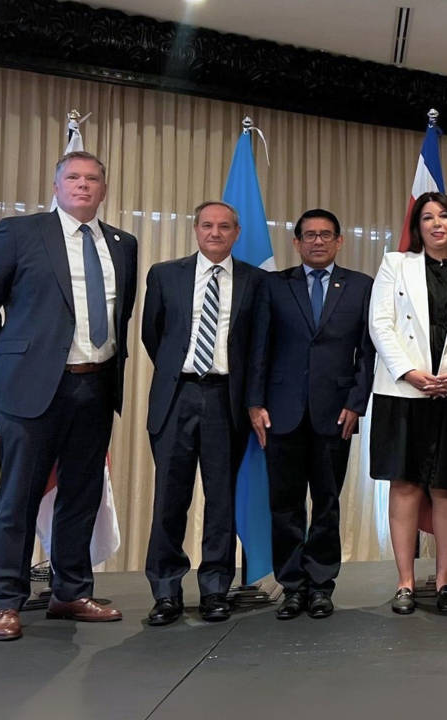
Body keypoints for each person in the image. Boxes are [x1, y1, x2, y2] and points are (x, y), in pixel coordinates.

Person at [0, 151, 138, 641]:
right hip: (30, 387)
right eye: (73, 177)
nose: (83, 185)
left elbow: (121, 316)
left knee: (81, 495)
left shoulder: (123, 243)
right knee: (19, 497)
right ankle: (6, 600)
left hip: (96, 383)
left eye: (92, 178)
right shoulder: (21, 233)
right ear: (56, 185)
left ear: (104, 189)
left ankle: (71, 591)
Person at [142, 200, 265, 626]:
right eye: (208, 225)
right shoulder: (164, 274)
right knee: (169, 501)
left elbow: (258, 347)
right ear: (195, 230)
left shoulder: (256, 281)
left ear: (236, 233)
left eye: (225, 226)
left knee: (221, 501)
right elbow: (153, 334)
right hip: (176, 395)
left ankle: (215, 588)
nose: (216, 232)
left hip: (224, 399)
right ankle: (166, 592)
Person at [248, 209, 374, 620]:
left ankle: (321, 586)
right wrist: (254, 402)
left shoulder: (360, 286)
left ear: (339, 241)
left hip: (335, 413)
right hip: (279, 411)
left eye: (325, 235)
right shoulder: (272, 285)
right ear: (296, 242)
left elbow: (367, 354)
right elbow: (258, 347)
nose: (317, 242)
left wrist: (357, 403)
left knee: (326, 503)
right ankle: (292, 587)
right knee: (284, 506)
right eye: (309, 235)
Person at [368, 192, 447, 616]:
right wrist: (410, 373)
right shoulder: (396, 263)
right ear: (417, 226)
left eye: (443, 215)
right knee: (405, 485)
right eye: (427, 217)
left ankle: (445, 579)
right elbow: (380, 324)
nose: (436, 223)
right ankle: (406, 581)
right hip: (403, 390)